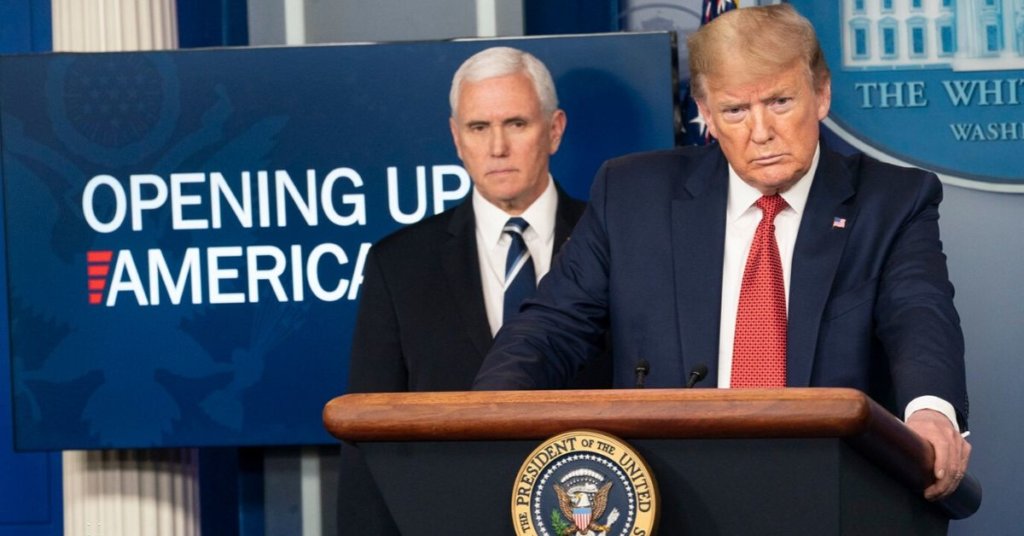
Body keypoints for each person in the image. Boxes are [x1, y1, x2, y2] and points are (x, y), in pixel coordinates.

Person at [474, 4, 970, 501]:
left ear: (821, 94)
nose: (761, 132)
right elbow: (552, 327)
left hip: (833, 493)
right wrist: (483, 417)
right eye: (735, 110)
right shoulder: (632, 196)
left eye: (779, 102)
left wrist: (929, 413)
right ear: (707, 115)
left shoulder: (890, 202)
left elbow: (919, 312)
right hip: (669, 496)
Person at [338, 46, 611, 534]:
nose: (497, 147)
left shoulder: (615, 241)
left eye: (517, 124)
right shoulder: (398, 265)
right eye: (478, 128)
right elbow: (368, 437)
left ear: (554, 130)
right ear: (456, 138)